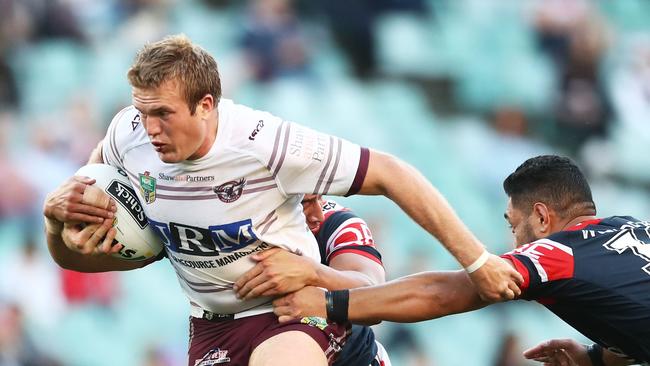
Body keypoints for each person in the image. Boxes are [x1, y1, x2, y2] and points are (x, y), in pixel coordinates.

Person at [42, 35, 521, 365]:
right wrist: (53, 225)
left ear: (206, 105)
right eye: (141, 111)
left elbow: (393, 174)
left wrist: (478, 260)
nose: (149, 128)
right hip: (210, 329)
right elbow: (83, 258)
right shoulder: (126, 138)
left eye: (163, 114)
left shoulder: (265, 143)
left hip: (290, 313)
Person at [273, 155, 650, 365]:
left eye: (514, 226)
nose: (514, 240)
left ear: (541, 217)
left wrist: (327, 302)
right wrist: (595, 358)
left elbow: (444, 292)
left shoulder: (558, 253)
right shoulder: (634, 228)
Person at [234, 194, 391, 366]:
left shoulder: (337, 223)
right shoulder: (223, 223)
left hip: (350, 358)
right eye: (304, 202)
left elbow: (374, 296)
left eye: (319, 197)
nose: (318, 215)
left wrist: (313, 272)